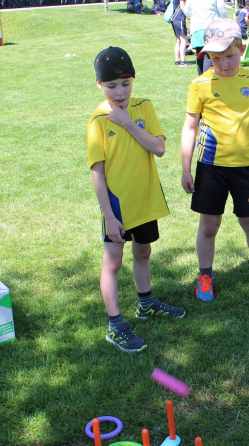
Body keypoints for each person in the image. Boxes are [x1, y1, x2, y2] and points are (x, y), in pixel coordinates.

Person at [87, 46, 185, 352]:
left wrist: (127, 122)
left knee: (143, 252)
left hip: (145, 199)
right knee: (113, 262)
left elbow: (159, 148)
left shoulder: (144, 107)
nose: (120, 92)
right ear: (99, 86)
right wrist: (109, 215)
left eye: (125, 84)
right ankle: (115, 325)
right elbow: (97, 173)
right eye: (112, 86)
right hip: (117, 205)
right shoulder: (97, 121)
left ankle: (146, 304)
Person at [180, 18, 249, 302]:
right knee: (209, 226)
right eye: (216, 58)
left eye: (230, 56)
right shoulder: (199, 84)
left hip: (246, 166)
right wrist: (185, 168)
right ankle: (205, 276)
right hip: (211, 168)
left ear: (242, 49)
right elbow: (190, 127)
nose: (223, 64)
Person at [184, 0, 228, 75]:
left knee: (200, 54)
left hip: (196, 28)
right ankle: (206, 79)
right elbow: (222, 10)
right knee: (209, 55)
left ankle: (201, 78)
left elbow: (187, 11)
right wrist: (226, 19)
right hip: (211, 28)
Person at [171, 0, 189, 67]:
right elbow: (182, 7)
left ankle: (177, 60)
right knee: (183, 40)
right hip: (180, 19)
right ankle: (183, 61)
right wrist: (189, 18)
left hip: (174, 19)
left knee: (178, 40)